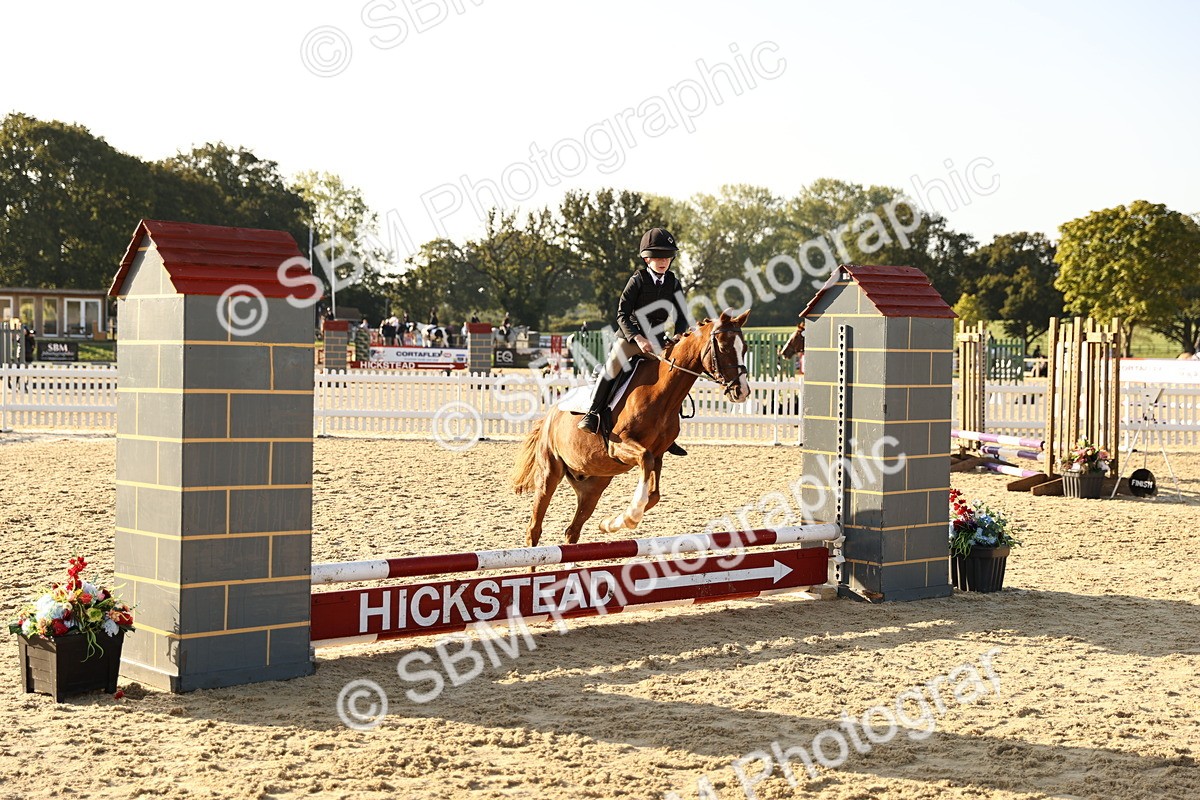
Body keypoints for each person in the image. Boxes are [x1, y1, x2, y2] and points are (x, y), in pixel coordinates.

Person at [578, 227, 689, 456]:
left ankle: (667, 433)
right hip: (631, 338)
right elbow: (622, 314)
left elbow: (683, 315)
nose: (663, 261)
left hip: (657, 342)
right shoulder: (637, 280)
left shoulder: (673, 282)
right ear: (647, 258)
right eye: (658, 257)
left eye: (667, 257)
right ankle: (593, 413)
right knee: (612, 367)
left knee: (673, 376)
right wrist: (638, 339)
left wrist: (678, 336)